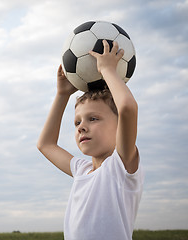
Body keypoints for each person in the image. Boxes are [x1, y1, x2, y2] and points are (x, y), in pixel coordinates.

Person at [37, 40, 144, 240]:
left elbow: (128, 108)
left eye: (93, 119)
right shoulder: (82, 170)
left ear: (120, 124)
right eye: (77, 122)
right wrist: (62, 95)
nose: (82, 127)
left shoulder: (120, 166)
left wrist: (108, 70)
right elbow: (45, 145)